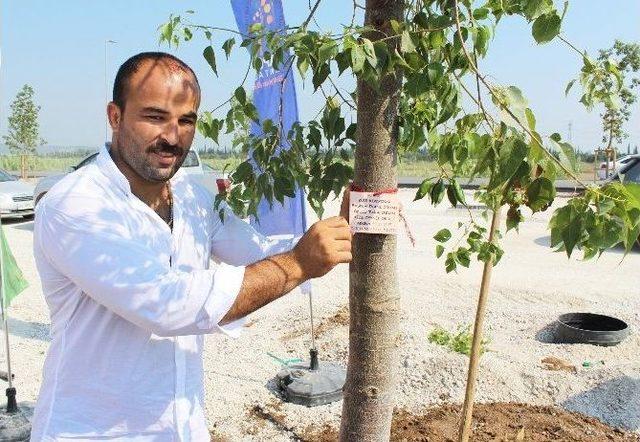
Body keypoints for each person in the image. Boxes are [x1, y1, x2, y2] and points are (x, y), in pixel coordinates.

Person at [30, 52, 352, 441]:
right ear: (115, 116)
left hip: (181, 426)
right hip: (94, 431)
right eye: (154, 116)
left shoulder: (192, 198)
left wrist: (338, 232)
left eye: (186, 121)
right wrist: (299, 263)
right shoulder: (76, 206)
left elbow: (257, 252)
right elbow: (168, 305)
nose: (172, 136)